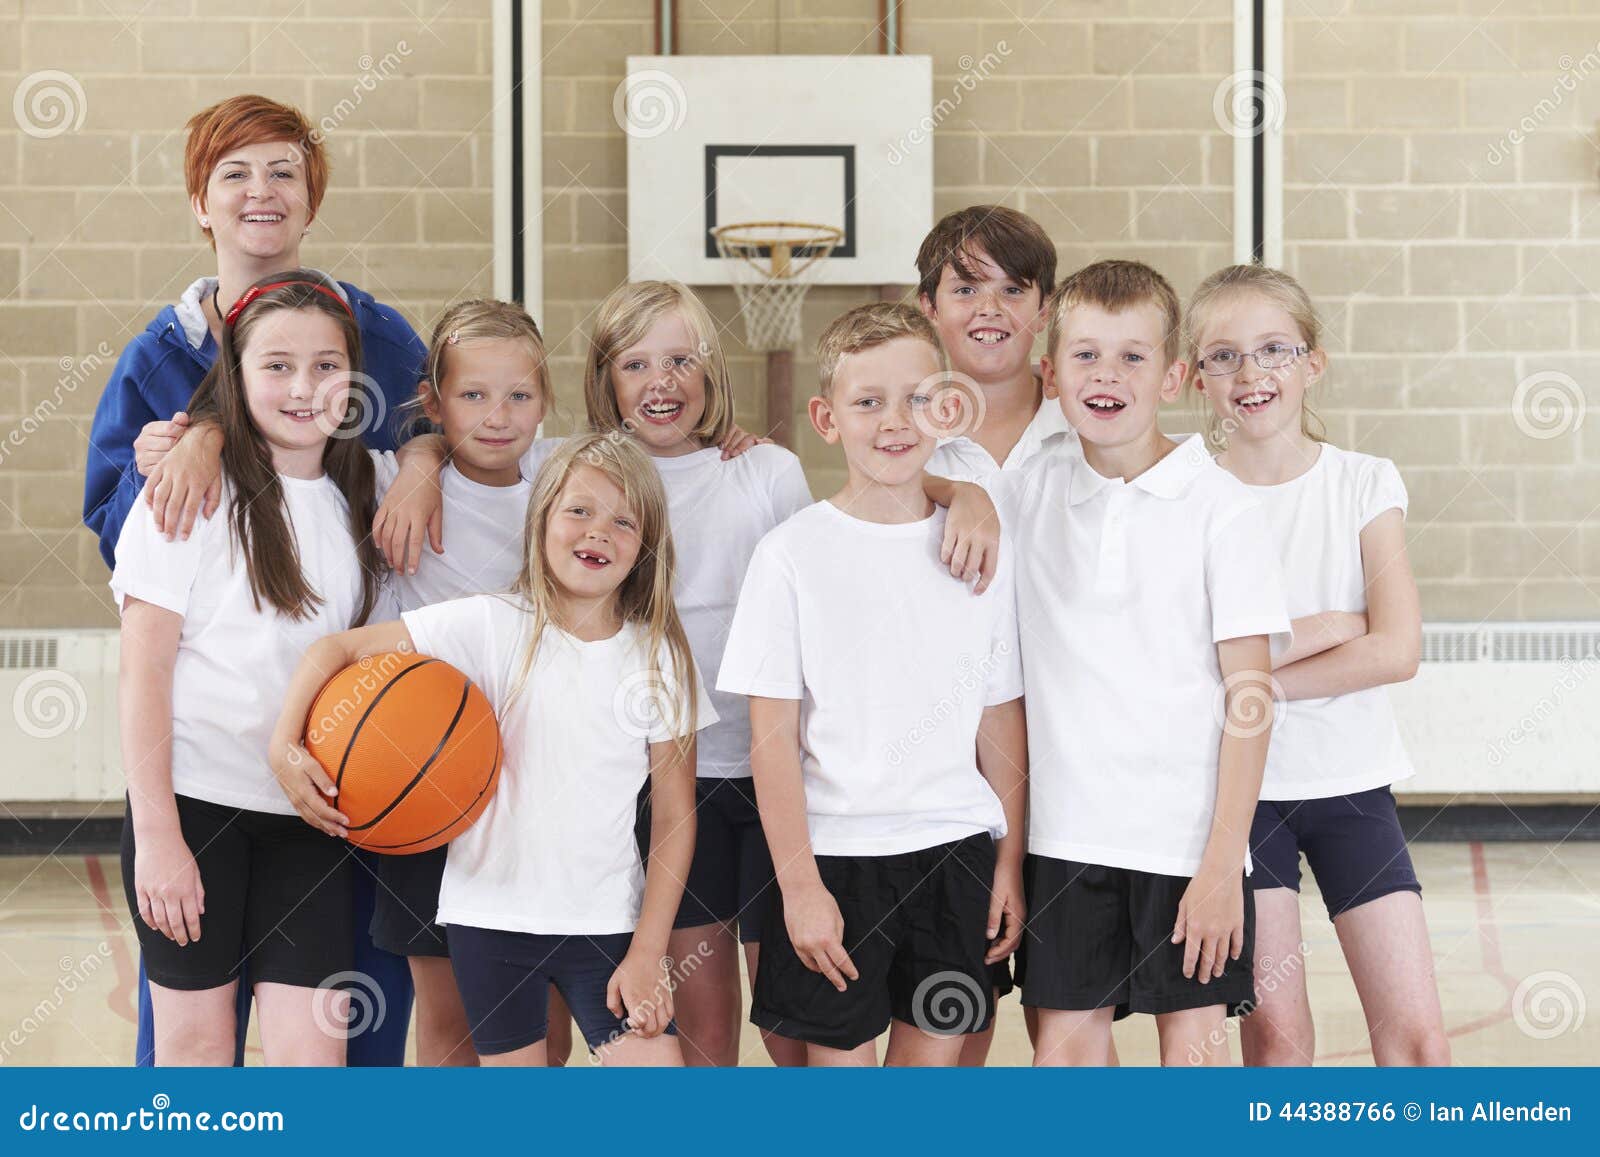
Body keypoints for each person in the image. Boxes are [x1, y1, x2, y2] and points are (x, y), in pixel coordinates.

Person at [83, 94, 421, 1067]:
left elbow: (443, 435)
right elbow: (144, 640)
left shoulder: (377, 425)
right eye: (235, 171)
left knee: (325, 1049)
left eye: (282, 170)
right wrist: (198, 444)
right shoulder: (164, 380)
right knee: (191, 1053)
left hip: (321, 800)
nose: (260, 190)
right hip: (197, 795)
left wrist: (431, 455)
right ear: (199, 200)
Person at [270, 434, 715, 1066]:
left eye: (624, 521)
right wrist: (285, 746)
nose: (600, 532)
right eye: (580, 511)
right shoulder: (489, 623)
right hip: (491, 921)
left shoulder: (660, 653)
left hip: (611, 926)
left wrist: (649, 949)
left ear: (646, 545)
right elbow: (332, 651)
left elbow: (675, 815)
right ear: (541, 523)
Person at [981, 260, 1291, 1066]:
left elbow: (1250, 698)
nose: (1106, 375)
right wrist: (966, 497)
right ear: (1050, 375)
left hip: (1190, 849)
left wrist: (1225, 862)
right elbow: (925, 485)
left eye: (1132, 356)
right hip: (1066, 841)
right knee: (1064, 1072)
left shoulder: (1224, 510)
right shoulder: (1024, 493)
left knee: (1192, 1075)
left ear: (1176, 375)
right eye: (1084, 355)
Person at [720, 303, 1028, 1066]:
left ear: (947, 408)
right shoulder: (790, 556)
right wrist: (798, 887)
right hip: (836, 858)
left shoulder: (977, 546)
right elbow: (772, 740)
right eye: (869, 402)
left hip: (955, 852)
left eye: (919, 398)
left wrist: (1010, 860)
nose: (897, 421)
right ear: (827, 417)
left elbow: (1000, 715)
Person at [111, 273, 388, 1065]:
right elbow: (144, 675)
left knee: (314, 1063)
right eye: (277, 365)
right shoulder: (188, 494)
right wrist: (159, 836)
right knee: (196, 1055)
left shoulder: (363, 493)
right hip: (194, 813)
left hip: (310, 818)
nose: (304, 388)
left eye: (327, 366)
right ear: (234, 373)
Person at [1186, 263, 1449, 1067]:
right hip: (1241, 795)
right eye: (1223, 356)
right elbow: (1185, 659)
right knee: (1276, 1035)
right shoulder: (1188, 493)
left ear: (1313, 362)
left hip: (1350, 786)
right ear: (1196, 377)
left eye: (1273, 349)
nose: (1251, 373)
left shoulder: (1363, 482)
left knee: (1417, 1036)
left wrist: (1251, 680)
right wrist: (1329, 628)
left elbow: (1395, 650)